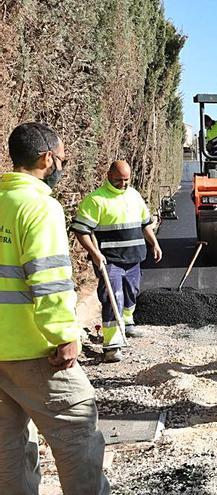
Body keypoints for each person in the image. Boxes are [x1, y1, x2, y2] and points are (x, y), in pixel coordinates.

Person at [0, 122, 110, 494]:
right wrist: (64, 335)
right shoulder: (39, 207)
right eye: (62, 159)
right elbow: (48, 279)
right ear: (48, 159)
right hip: (35, 351)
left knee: (8, 453)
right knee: (79, 433)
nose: (62, 166)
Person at [71, 160, 162, 363]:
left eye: (126, 180)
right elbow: (81, 230)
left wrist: (154, 243)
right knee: (113, 298)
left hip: (134, 257)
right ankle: (112, 346)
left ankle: (127, 323)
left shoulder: (134, 196)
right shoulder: (96, 200)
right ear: (109, 175)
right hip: (109, 260)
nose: (123, 184)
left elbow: (145, 224)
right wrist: (94, 253)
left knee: (132, 291)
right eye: (118, 180)